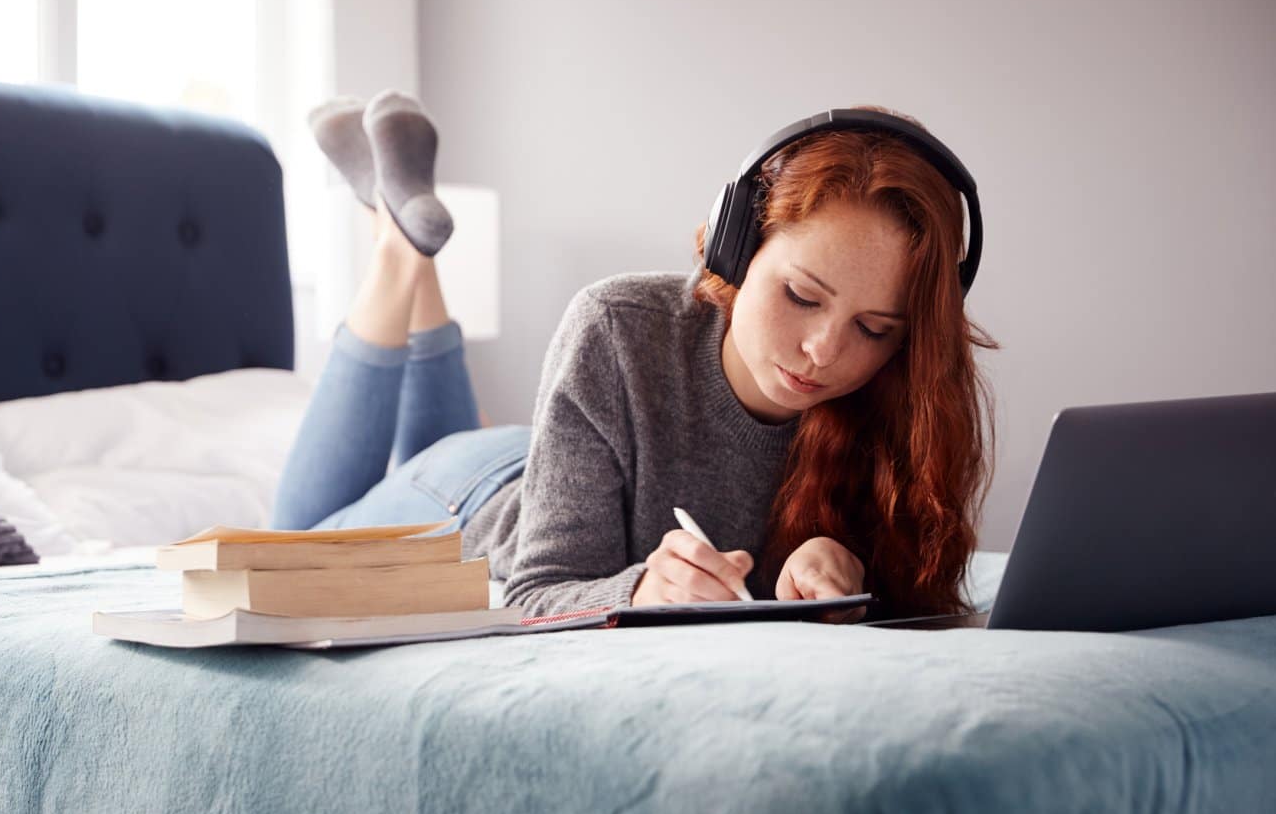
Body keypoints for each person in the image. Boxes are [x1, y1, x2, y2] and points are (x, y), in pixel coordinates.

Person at [272, 92, 1000, 622]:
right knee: (296, 535)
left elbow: (906, 601)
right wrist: (642, 591)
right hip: (473, 496)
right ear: (736, 246)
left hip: (552, 459)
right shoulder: (618, 326)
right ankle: (400, 251)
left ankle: (396, 218)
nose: (824, 351)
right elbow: (538, 589)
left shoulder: (895, 396)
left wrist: (845, 572)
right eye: (803, 297)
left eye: (874, 329)